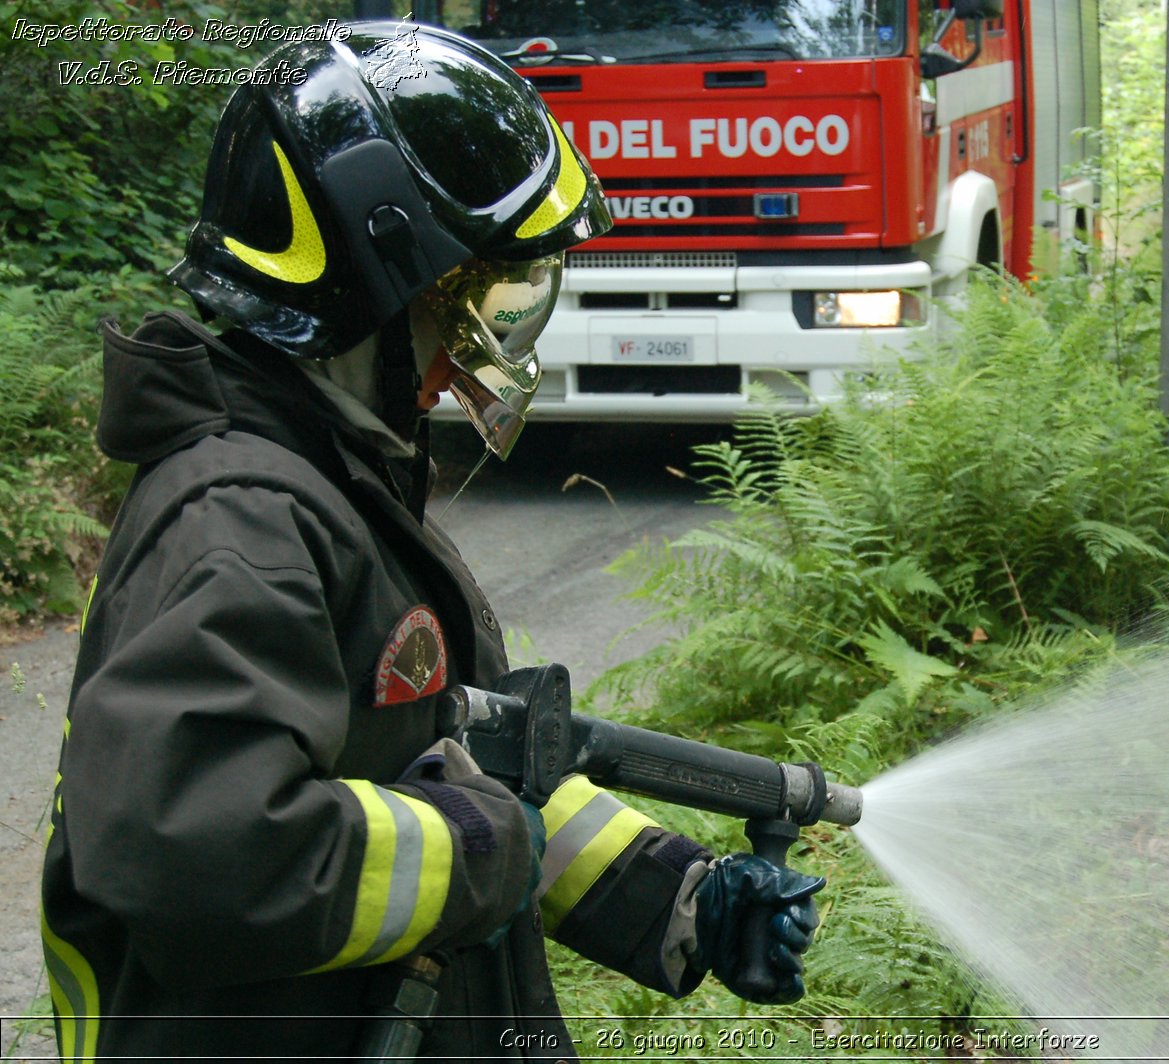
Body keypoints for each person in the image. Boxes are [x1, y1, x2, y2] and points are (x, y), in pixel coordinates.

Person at [40, 22, 825, 1061]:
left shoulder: (332, 483)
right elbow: (203, 854)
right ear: (381, 291)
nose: (484, 347)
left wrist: (683, 896)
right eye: (485, 299)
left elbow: (455, 774)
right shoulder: (243, 524)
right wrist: (485, 844)